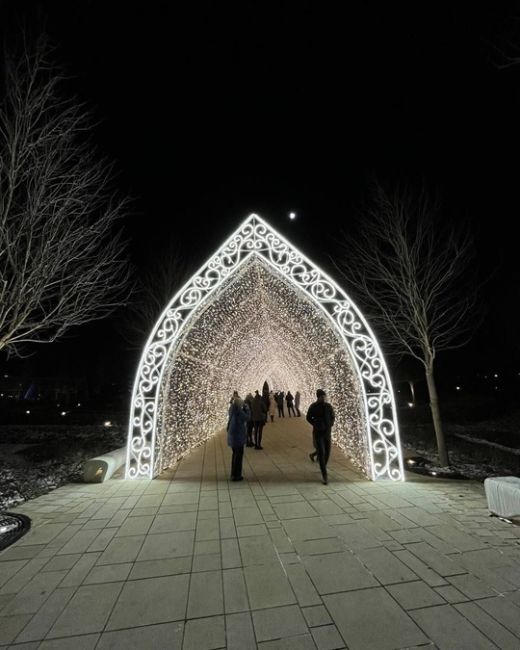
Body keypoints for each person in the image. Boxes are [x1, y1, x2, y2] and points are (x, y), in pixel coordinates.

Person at [306, 389, 335, 485]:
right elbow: (308, 417)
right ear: (318, 397)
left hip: (327, 433)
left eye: (324, 396)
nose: (324, 398)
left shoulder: (328, 406)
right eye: (322, 397)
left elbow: (333, 416)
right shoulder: (313, 406)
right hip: (318, 433)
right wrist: (315, 423)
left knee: (327, 453)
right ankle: (324, 475)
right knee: (321, 453)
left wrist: (330, 424)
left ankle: (323, 466)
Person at [227, 394, 249, 481]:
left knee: (235, 456)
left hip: (233, 437)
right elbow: (247, 417)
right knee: (238, 457)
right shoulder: (239, 412)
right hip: (238, 437)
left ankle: (233, 474)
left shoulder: (232, 410)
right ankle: (236, 475)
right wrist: (247, 409)